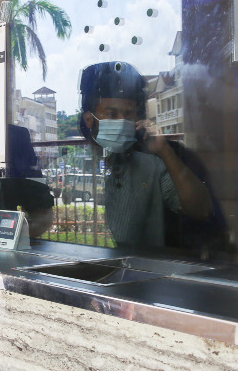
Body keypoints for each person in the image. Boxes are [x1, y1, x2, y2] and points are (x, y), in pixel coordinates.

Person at [78, 61, 212, 251]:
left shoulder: (152, 163)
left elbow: (201, 210)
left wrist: (165, 151)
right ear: (90, 120)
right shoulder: (81, 159)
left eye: (129, 114)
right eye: (112, 114)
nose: (122, 121)